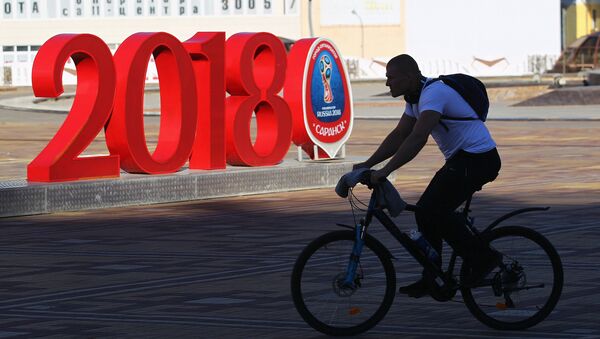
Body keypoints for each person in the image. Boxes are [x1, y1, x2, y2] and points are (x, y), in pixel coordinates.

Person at [353, 54, 501, 298]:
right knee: (426, 213)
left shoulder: (434, 94)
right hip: (462, 160)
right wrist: (367, 164)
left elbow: (417, 137)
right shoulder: (415, 99)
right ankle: (432, 277)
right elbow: (400, 134)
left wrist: (386, 171)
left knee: (434, 211)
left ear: (409, 77)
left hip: (478, 159)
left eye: (391, 77)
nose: (387, 83)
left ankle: (484, 259)